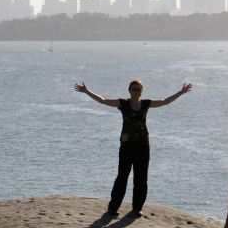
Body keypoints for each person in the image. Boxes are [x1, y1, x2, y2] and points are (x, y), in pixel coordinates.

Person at [74, 79, 193, 216]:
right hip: (126, 146)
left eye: (138, 89)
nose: (136, 92)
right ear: (129, 91)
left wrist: (181, 92)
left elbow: (164, 101)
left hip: (143, 146)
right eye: (134, 89)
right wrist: (86, 91)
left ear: (142, 91)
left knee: (141, 179)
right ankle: (113, 208)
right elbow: (103, 100)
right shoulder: (123, 103)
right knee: (122, 177)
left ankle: (137, 209)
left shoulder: (146, 104)